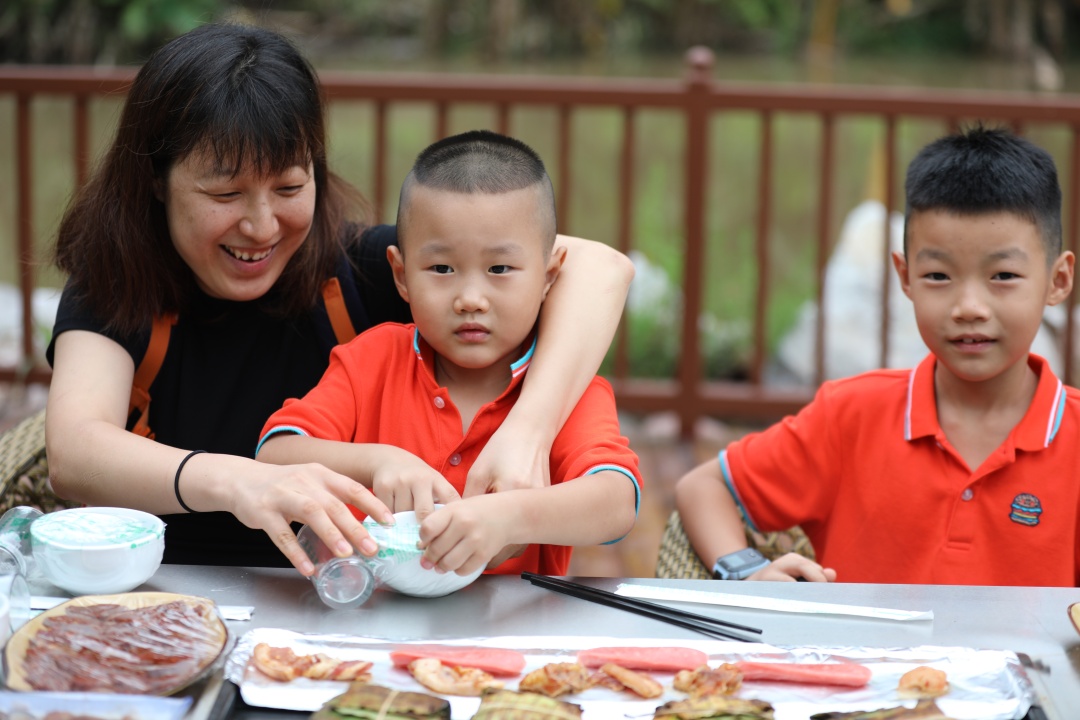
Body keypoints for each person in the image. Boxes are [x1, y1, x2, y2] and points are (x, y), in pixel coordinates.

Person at [43, 24, 634, 575]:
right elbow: (75, 451)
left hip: (343, 609)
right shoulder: (118, 281)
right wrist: (239, 482)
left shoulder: (354, 271)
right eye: (225, 192)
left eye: (289, 187)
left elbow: (599, 269)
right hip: (170, 587)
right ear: (156, 180)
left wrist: (526, 435)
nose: (261, 225)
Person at [676, 126, 1078, 586]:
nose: (969, 308)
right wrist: (746, 570)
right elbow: (703, 487)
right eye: (939, 276)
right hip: (864, 660)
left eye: (1003, 275)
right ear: (904, 277)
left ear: (1058, 280)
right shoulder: (850, 416)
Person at [256, 130, 641, 576]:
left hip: (511, 632)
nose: (471, 298)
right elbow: (275, 455)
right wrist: (378, 461)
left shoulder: (566, 386)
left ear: (550, 274)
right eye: (441, 269)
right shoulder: (372, 359)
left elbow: (617, 502)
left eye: (500, 269)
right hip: (366, 623)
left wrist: (511, 517)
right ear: (400, 275)